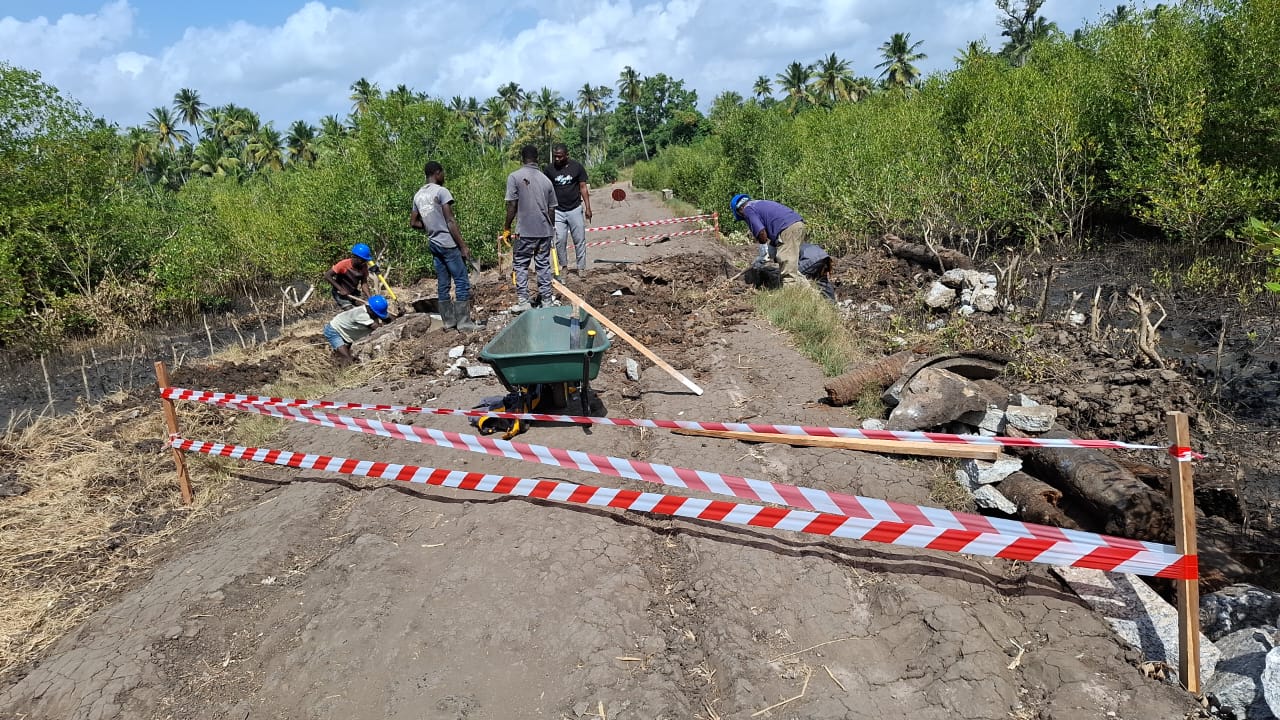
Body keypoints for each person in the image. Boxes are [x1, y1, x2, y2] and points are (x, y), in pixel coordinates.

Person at [411, 161, 480, 331]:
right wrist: (463, 246)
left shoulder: (418, 195)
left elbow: (413, 223)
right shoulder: (441, 192)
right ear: (437, 173)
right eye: (443, 173)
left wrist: (430, 227)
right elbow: (450, 221)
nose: (444, 176)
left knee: (443, 283)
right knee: (462, 281)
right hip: (448, 243)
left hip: (434, 243)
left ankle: (448, 322)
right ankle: (464, 322)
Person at [504, 144, 558, 313]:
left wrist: (507, 227)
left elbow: (512, 205)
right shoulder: (546, 180)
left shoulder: (514, 177)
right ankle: (547, 300)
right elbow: (551, 210)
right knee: (543, 265)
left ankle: (523, 301)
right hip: (544, 231)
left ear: (522, 158)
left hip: (525, 231)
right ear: (538, 158)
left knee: (520, 264)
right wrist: (551, 229)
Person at [730, 194, 812, 289]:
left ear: (739, 210)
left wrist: (763, 252)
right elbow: (774, 228)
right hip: (797, 226)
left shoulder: (748, 210)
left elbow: (761, 232)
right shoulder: (758, 205)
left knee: (787, 267)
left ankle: (790, 295)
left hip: (788, 229)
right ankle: (809, 292)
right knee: (789, 265)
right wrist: (770, 251)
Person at [543, 143, 592, 278]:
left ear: (566, 156)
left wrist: (588, 208)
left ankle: (581, 268)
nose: (557, 159)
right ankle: (564, 267)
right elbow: (546, 190)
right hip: (557, 211)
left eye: (560, 157)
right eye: (555, 156)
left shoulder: (577, 167)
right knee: (560, 240)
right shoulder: (549, 170)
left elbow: (583, 187)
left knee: (579, 239)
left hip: (575, 208)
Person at [753, 241, 837, 301]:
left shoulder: (781, 249)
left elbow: (786, 268)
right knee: (822, 281)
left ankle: (814, 300)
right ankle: (831, 304)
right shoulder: (792, 242)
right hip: (823, 257)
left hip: (809, 259)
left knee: (792, 276)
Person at [322, 295, 390, 365]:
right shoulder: (361, 315)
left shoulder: (370, 311)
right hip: (334, 330)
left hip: (346, 332)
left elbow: (388, 318)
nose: (377, 316)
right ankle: (345, 373)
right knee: (347, 358)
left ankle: (339, 363)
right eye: (376, 314)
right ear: (370, 309)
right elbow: (378, 329)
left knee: (347, 353)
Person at [325, 243, 376, 309]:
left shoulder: (363, 267)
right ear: (355, 257)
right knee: (350, 310)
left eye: (365, 261)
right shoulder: (343, 264)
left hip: (352, 292)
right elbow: (327, 275)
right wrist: (340, 289)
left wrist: (370, 298)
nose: (364, 263)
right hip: (339, 293)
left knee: (364, 309)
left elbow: (364, 283)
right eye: (362, 260)